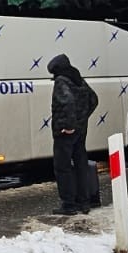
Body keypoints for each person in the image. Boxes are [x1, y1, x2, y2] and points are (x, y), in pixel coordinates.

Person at [47, 53, 98, 215]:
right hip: (81, 131)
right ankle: (84, 202)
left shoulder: (62, 81)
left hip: (65, 132)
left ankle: (68, 204)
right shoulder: (78, 78)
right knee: (80, 163)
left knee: (62, 166)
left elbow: (67, 102)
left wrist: (69, 126)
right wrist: (82, 119)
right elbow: (94, 99)